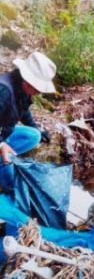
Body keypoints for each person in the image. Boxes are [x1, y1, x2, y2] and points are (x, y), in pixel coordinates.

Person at [0, 52, 55, 190]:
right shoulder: (4, 91)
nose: (39, 93)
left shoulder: (21, 87)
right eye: (37, 88)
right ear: (27, 81)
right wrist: (2, 145)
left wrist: (37, 129)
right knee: (10, 183)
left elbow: (24, 112)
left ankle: (7, 157)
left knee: (34, 135)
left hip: (4, 132)